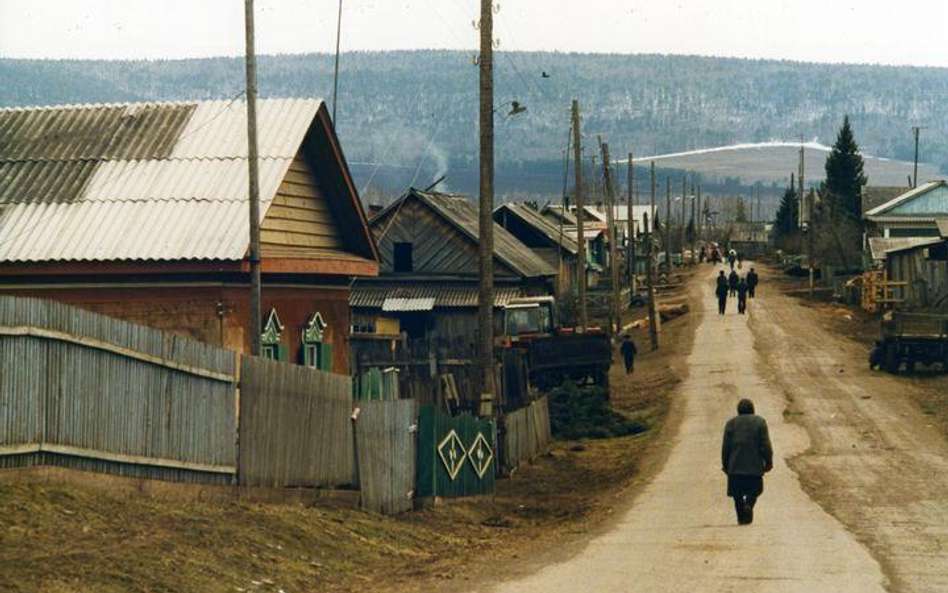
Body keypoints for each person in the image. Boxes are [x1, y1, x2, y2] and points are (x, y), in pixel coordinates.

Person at [721, 398, 773, 525]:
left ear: (738, 411)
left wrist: (725, 464)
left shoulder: (730, 424)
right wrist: (768, 462)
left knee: (737, 494)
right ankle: (749, 504)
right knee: (754, 490)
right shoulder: (760, 422)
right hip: (754, 467)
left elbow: (726, 447)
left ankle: (741, 517)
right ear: (753, 410)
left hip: (735, 466)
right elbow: (765, 445)